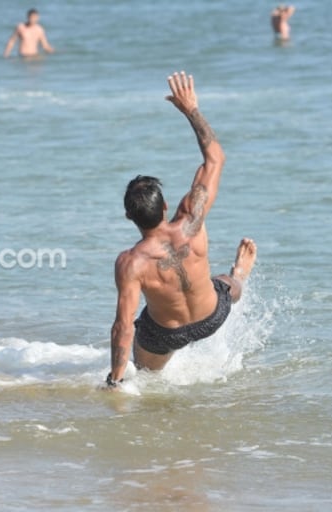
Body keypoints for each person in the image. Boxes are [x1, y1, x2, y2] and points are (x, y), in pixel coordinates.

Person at [104, 71, 257, 389]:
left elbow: (122, 326)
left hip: (164, 334)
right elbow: (215, 159)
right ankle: (240, 274)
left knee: (147, 378)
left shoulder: (132, 263)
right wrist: (191, 109)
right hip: (212, 317)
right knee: (227, 284)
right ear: (165, 206)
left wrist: (114, 381)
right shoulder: (192, 221)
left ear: (128, 217)